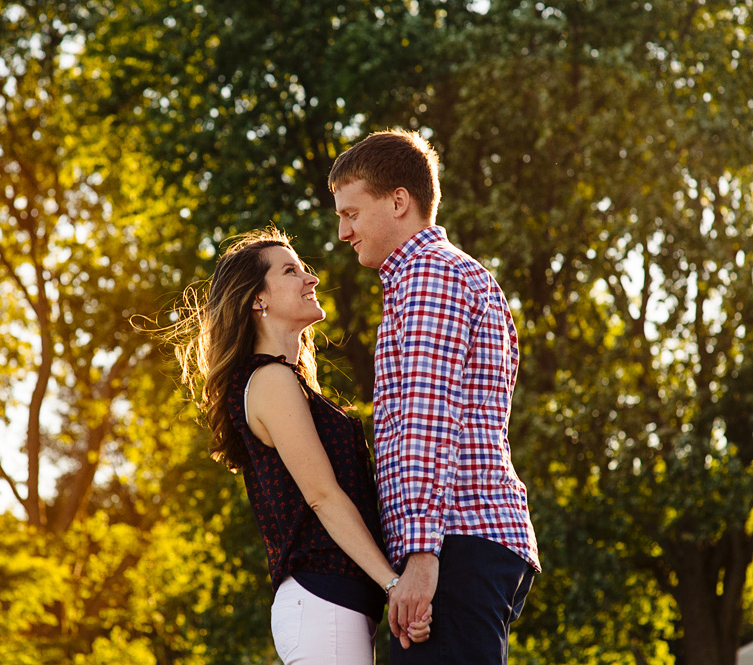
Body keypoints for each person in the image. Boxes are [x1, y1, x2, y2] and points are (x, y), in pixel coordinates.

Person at [168, 227, 431, 664]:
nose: (311, 278)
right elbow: (323, 497)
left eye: (304, 268)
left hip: (333, 606)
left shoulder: (287, 382)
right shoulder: (270, 380)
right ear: (258, 299)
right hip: (322, 604)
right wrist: (394, 584)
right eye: (291, 271)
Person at [328, 130, 541, 665]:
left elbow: (429, 415)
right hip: (456, 546)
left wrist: (422, 556)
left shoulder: (431, 276)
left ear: (398, 201)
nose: (342, 231)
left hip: (454, 545)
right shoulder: (423, 281)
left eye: (352, 213)